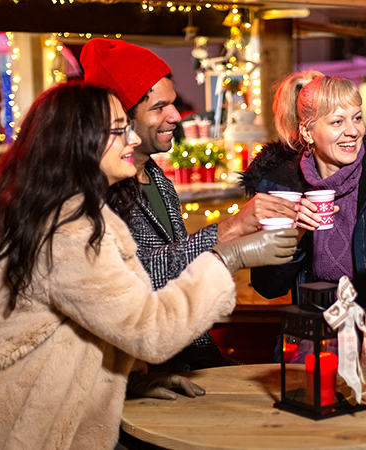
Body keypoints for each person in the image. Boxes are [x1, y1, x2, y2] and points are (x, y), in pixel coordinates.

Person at [0, 82, 297, 450]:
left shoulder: (67, 211)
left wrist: (129, 382)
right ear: (78, 142)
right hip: (31, 432)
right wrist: (229, 256)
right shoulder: (67, 230)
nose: (132, 139)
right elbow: (150, 329)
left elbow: (84, 327)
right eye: (119, 130)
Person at [80, 39, 298, 385]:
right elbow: (133, 278)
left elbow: (180, 282)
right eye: (159, 107)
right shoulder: (94, 189)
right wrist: (228, 236)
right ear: (120, 116)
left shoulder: (159, 181)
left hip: (183, 353)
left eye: (173, 103)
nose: (175, 116)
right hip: (129, 371)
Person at [240, 71, 366, 370]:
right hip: (309, 346)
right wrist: (296, 233)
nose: (353, 131)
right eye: (337, 122)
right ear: (307, 132)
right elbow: (268, 286)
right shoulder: (281, 186)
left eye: (357, 118)